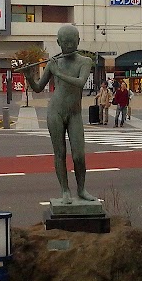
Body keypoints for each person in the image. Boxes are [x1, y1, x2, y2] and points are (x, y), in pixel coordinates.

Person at [24, 24, 95, 204]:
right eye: (65, 43)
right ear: (59, 42)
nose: (69, 46)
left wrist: (58, 73)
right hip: (55, 110)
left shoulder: (84, 61)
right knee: (60, 153)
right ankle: (65, 190)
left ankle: (81, 189)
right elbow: (38, 88)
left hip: (75, 112)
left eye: (72, 42)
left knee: (79, 155)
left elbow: (80, 83)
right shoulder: (54, 62)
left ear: (78, 41)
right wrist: (28, 76)